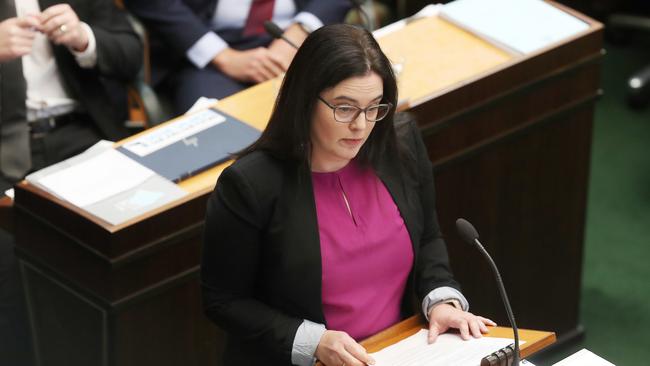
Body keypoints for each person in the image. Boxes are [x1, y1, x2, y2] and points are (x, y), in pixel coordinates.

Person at [201, 24, 496, 366]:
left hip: (396, 352)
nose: (361, 125)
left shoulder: (399, 143)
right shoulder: (251, 184)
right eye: (345, 108)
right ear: (306, 100)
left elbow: (428, 237)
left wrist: (440, 299)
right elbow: (223, 301)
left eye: (374, 107)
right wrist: (313, 342)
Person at [0, 2, 141, 364]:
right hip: (5, 144)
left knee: (139, 236)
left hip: (79, 133)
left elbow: (130, 52)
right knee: (13, 269)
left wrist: (84, 39)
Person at [125, 0, 352, 114]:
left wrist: (300, 32)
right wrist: (223, 56)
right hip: (209, 51)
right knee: (216, 132)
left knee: (350, 105)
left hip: (304, 35)